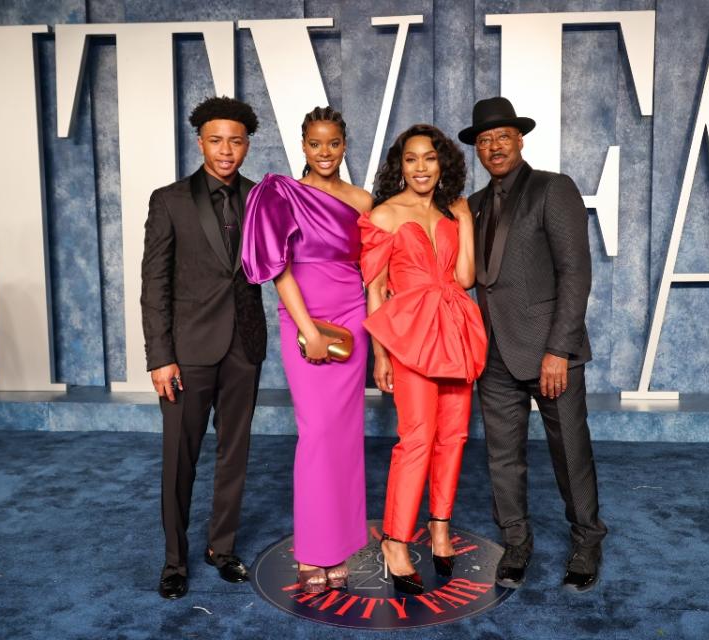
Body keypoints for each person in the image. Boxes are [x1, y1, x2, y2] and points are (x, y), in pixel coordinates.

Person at [458, 96, 607, 592]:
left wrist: (559, 349)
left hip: (549, 351)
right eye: (484, 140)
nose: (494, 146)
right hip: (493, 352)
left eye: (502, 136)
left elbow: (574, 271)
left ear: (520, 140)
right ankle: (517, 541)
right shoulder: (473, 207)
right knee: (502, 456)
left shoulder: (552, 188)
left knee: (569, 451)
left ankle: (587, 539)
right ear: (477, 150)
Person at [141, 96, 267, 600]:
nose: (226, 150)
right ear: (200, 142)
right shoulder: (169, 199)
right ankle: (175, 561)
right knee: (180, 458)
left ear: (247, 144)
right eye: (216, 140)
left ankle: (222, 546)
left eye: (235, 141)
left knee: (235, 454)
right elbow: (155, 284)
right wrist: (159, 356)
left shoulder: (260, 198)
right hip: (187, 351)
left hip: (245, 346)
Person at [241, 106, 371, 593]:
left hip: (352, 321)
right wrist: (308, 329)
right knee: (316, 434)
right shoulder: (281, 194)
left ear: (344, 145)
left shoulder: (361, 199)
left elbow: (370, 266)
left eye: (333, 143)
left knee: (345, 436)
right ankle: (313, 550)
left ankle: (340, 547)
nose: (324, 152)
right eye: (315, 143)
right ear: (303, 145)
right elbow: (280, 269)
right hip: (303, 319)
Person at [360, 124, 487, 595]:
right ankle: (395, 540)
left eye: (429, 158)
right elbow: (374, 289)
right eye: (411, 159)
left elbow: (467, 277)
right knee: (416, 438)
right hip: (411, 335)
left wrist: (466, 219)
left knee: (453, 435)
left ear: (442, 164)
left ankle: (438, 527)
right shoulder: (386, 214)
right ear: (400, 165)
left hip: (455, 330)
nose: (420, 168)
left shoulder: (451, 214)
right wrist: (380, 354)